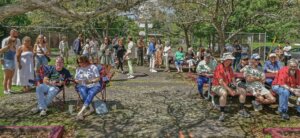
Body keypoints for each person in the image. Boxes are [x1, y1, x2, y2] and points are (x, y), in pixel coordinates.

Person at [211, 52, 250, 121]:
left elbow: (233, 80)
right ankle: (222, 113)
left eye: (231, 59)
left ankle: (241, 109)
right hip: (217, 86)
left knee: (243, 91)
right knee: (224, 93)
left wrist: (237, 87)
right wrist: (230, 90)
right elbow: (221, 82)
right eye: (229, 59)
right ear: (225, 60)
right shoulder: (219, 67)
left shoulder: (230, 68)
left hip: (227, 85)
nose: (231, 61)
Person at [74, 56, 101, 120]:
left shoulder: (93, 67)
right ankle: (91, 108)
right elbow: (75, 79)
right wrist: (78, 81)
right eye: (79, 62)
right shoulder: (78, 69)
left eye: (81, 62)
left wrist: (91, 81)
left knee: (91, 93)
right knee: (83, 91)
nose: (80, 64)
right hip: (82, 85)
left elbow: (98, 78)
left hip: (94, 85)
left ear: (86, 61)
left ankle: (81, 112)